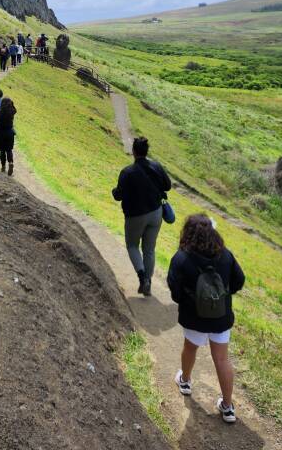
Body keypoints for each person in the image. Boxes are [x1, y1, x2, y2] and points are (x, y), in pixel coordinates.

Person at [167, 214, 245, 424]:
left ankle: (185, 381)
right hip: (221, 317)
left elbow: (174, 290)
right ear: (212, 232)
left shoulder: (182, 258)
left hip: (194, 317)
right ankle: (228, 408)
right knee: (222, 359)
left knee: (190, 348)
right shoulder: (225, 255)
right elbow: (239, 281)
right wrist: (222, 297)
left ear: (187, 233)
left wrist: (189, 301)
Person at [112, 136, 171, 296]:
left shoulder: (127, 172)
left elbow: (119, 195)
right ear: (146, 151)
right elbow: (168, 185)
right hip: (156, 213)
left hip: (135, 216)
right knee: (149, 250)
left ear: (133, 152)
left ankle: (142, 277)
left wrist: (114, 191)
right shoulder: (156, 166)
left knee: (132, 246)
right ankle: (149, 282)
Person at [0, 97, 17, 175]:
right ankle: (11, 162)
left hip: (1, 134)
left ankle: (3, 167)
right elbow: (14, 108)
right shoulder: (12, 111)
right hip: (10, 133)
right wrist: (11, 102)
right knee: (9, 150)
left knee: (2, 150)